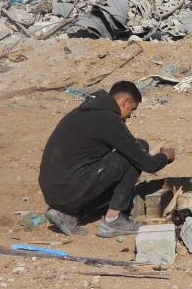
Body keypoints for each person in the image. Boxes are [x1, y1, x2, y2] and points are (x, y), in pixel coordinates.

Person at [40, 81, 176, 238]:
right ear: (125, 101)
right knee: (138, 150)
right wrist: (166, 155)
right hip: (70, 191)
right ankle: (113, 220)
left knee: (120, 161)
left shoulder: (81, 112)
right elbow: (149, 164)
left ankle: (67, 214)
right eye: (132, 109)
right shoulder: (108, 119)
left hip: (55, 193)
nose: (130, 115)